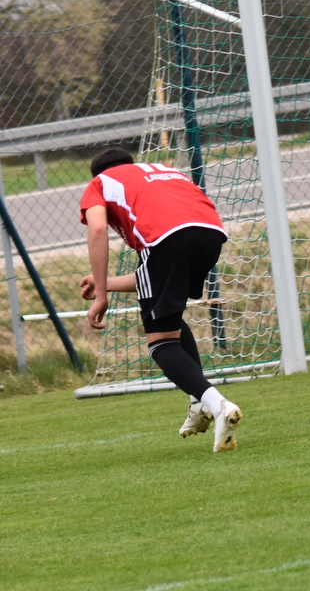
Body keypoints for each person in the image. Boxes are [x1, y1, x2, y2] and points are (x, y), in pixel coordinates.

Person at [79, 147, 243, 452]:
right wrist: (105, 284)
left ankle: (219, 406)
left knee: (161, 344)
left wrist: (100, 295)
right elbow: (152, 275)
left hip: (167, 240)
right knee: (169, 320)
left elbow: (98, 228)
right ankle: (198, 403)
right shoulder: (163, 171)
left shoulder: (100, 182)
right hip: (211, 233)